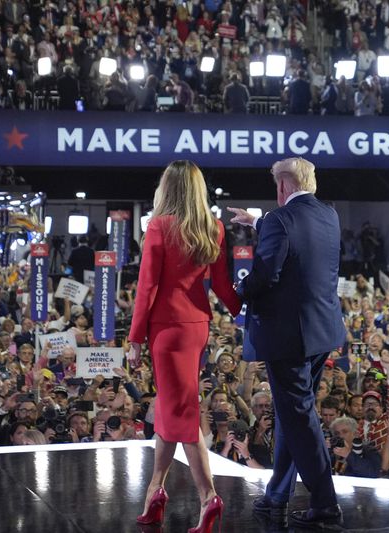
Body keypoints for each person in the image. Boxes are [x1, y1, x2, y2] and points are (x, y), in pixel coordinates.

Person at [228, 157, 346, 528]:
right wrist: (258, 220)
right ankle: (277, 494)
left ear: (282, 186)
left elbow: (265, 276)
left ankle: (325, 506)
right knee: (293, 416)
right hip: (320, 333)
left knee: (298, 418)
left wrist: (239, 289)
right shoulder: (329, 215)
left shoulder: (280, 219)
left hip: (287, 337)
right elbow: (299, 237)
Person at [127, 160, 242, 533]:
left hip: (166, 328)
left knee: (182, 414)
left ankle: (209, 497)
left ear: (167, 189)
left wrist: (134, 339)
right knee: (169, 409)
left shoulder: (158, 227)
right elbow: (223, 286)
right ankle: (155, 490)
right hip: (196, 326)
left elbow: (147, 288)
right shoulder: (214, 228)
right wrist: (243, 310)